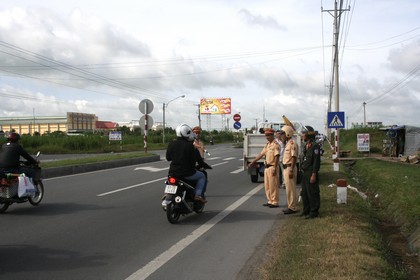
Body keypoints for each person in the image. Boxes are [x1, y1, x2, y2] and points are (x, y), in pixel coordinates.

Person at [166, 123, 207, 203]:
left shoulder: (171, 143)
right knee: (202, 176)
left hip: (173, 172)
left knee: (170, 179)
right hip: (187, 173)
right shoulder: (190, 145)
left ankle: (167, 193)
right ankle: (198, 195)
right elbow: (194, 159)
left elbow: (168, 158)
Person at [248, 128, 280, 208]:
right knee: (267, 186)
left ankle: (275, 202)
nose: (267, 137)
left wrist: (275, 168)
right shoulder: (268, 145)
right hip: (266, 167)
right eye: (266, 135)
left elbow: (277, 156)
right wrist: (253, 162)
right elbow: (261, 154)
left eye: (268, 135)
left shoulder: (275, 145)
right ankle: (270, 200)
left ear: (272, 135)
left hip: (272, 167)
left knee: (273, 186)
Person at [300, 126, 321, 219]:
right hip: (305, 172)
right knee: (304, 193)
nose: (302, 135)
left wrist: (314, 174)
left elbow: (316, 162)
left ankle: (314, 211)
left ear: (309, 134)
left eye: (304, 133)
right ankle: (306, 210)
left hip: (310, 172)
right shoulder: (306, 146)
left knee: (312, 193)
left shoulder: (315, 146)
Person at [281, 125, 299, 214]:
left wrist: (291, 169)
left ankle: (293, 207)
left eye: (282, 134)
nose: (281, 136)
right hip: (286, 168)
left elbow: (294, 157)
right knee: (288, 189)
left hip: (289, 168)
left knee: (291, 189)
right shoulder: (287, 144)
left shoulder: (292, 144)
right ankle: (290, 206)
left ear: (287, 134)